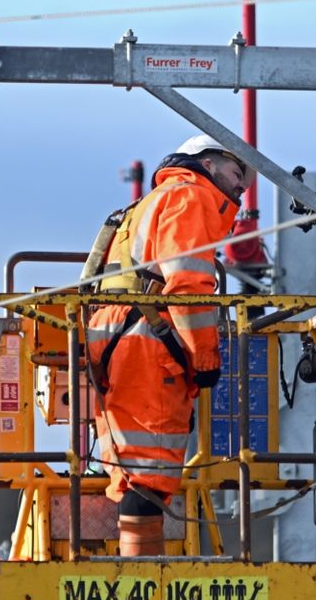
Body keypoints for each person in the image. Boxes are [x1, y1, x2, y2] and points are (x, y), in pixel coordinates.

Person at [85, 134, 252, 555]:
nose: (241, 187)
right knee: (150, 469)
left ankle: (137, 566)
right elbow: (188, 283)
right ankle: (143, 583)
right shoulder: (191, 195)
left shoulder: (150, 202)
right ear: (208, 164)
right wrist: (205, 356)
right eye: (237, 174)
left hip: (114, 335)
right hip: (146, 340)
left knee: (132, 467)